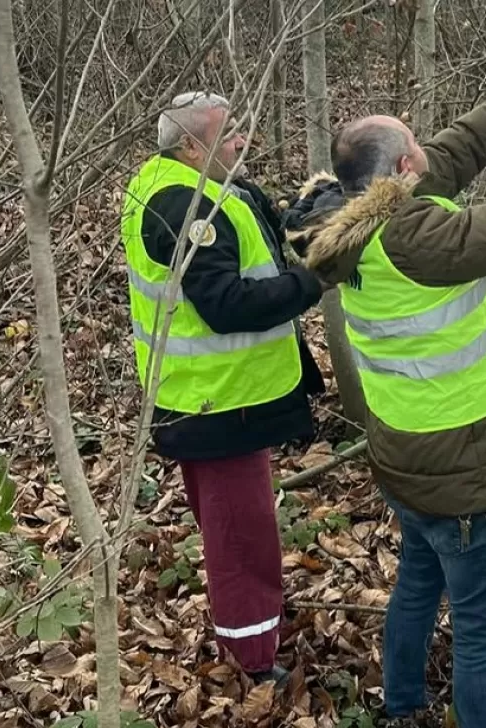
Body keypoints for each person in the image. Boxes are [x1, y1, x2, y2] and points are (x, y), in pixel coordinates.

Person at [283, 54, 486, 728]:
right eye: (415, 152)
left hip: (406, 453)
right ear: (398, 171)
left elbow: (444, 156)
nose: (427, 158)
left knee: (418, 577)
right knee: (482, 629)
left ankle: (402, 699)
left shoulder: (347, 219)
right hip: (465, 465)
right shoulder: (416, 240)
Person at [120, 91, 331, 687]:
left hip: (211, 398)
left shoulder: (196, 187)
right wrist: (313, 281)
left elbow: (257, 237)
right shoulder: (181, 205)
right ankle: (253, 660)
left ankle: (250, 631)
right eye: (228, 132)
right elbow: (225, 306)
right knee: (242, 538)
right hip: (217, 405)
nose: (241, 140)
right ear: (190, 145)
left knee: (234, 530)